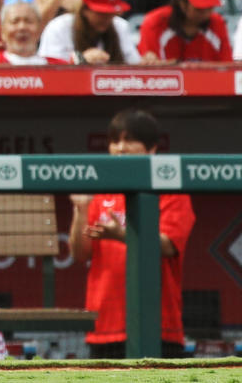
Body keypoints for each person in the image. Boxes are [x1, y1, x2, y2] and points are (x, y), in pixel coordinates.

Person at [70, 109, 194, 358]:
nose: (120, 148)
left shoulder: (171, 192)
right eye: (115, 141)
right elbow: (79, 253)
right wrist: (81, 209)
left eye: (129, 140)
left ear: (151, 149)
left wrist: (122, 235)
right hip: (105, 325)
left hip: (158, 325)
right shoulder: (101, 192)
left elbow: (168, 245)